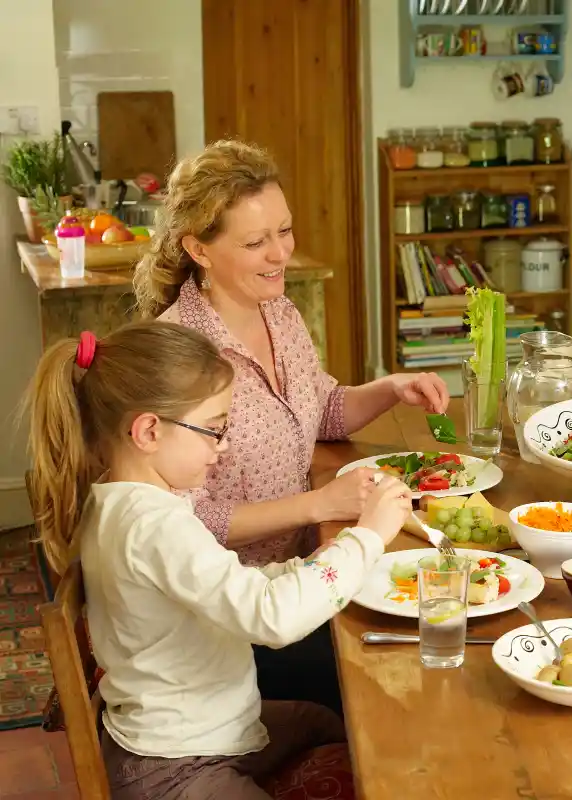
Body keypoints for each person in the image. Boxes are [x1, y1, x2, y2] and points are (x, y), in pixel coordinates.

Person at [25, 322, 413, 800]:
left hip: (210, 727)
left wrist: (314, 564)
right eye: (213, 430)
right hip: (174, 768)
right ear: (149, 431)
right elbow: (272, 619)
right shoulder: (154, 527)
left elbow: (228, 584)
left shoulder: (123, 499)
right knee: (346, 728)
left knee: (324, 721)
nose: (222, 446)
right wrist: (368, 537)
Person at [132, 139, 448, 715]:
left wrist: (389, 390)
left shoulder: (279, 312)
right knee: (403, 676)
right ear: (198, 249)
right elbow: (186, 520)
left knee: (440, 614)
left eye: (284, 230)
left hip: (304, 573)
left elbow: (319, 412)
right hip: (234, 619)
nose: (280, 253)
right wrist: (318, 505)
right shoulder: (179, 355)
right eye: (256, 242)